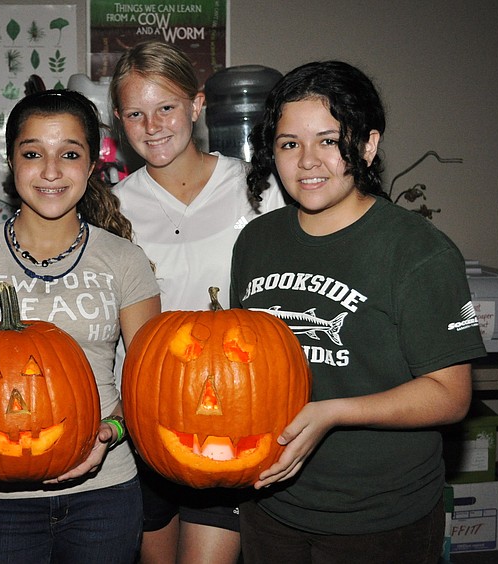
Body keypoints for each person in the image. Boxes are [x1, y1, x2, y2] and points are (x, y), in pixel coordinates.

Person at [229, 60, 487, 563]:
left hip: (379, 519)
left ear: (367, 146)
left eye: (328, 140)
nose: (307, 161)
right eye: (289, 143)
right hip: (271, 504)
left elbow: (451, 396)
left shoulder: (418, 251)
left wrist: (333, 413)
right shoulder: (255, 241)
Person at [0, 89, 161, 563]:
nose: (51, 171)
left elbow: (152, 384)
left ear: (91, 164)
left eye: (69, 154)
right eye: (33, 153)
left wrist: (109, 431)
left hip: (106, 492)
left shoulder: (125, 260)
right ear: (12, 163)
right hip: (1, 500)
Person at [108, 40, 286, 564]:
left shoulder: (257, 189)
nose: (153, 125)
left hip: (232, 413)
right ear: (120, 121)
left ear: (197, 105)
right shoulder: (112, 206)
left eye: (166, 107)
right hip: (144, 417)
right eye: (136, 113)